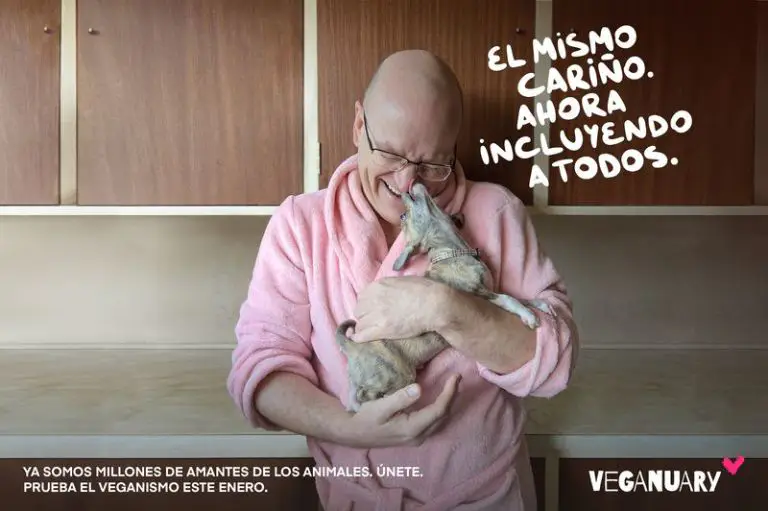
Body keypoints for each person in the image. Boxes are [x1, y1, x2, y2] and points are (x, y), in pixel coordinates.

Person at [227, 49, 579, 511]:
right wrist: (347, 427)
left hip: (482, 498)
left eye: (433, 164)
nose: (410, 182)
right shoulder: (300, 225)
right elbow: (260, 367)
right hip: (351, 499)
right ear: (359, 126)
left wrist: (445, 308)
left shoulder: (496, 213)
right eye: (391, 154)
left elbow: (555, 361)